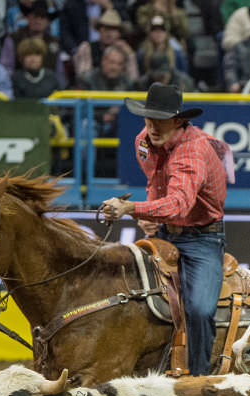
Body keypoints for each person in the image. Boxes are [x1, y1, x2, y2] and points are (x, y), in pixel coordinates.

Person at [101, 83, 229, 378]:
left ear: (178, 121)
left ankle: (200, 380)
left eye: (159, 120)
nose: (152, 127)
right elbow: (155, 184)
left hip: (202, 237)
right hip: (164, 233)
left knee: (198, 309)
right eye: (148, 118)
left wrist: (133, 209)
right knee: (125, 292)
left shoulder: (192, 153)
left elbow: (179, 205)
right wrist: (149, 216)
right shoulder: (143, 141)